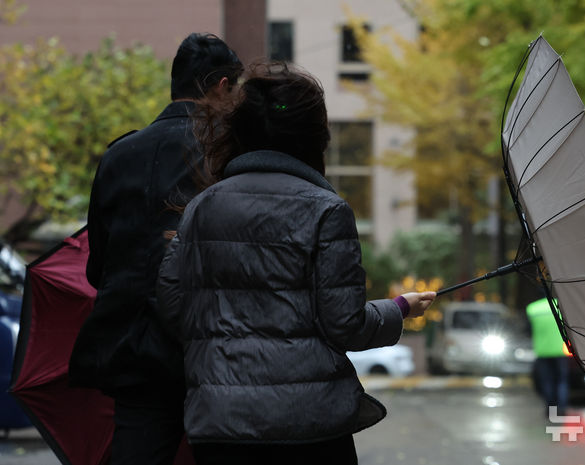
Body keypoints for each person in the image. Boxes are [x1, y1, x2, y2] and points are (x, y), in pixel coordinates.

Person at [155, 62, 436, 465]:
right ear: (313, 138)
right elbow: (345, 325)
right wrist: (398, 309)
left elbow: (172, 304)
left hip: (221, 426)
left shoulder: (202, 207)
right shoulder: (327, 211)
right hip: (308, 426)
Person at [69, 33, 244, 465]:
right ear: (222, 87)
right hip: (210, 347)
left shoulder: (117, 155)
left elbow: (98, 269)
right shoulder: (228, 154)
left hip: (131, 349)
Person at [526, 298, 570, 416]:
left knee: (547, 381)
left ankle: (550, 409)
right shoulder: (561, 305)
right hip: (560, 351)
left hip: (542, 351)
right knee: (561, 381)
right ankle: (561, 408)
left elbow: (528, 330)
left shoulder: (532, 308)